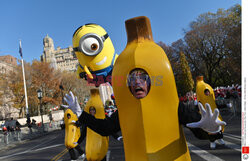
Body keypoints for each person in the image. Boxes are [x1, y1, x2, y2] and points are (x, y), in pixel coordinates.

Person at [63, 68, 225, 147]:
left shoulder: (172, 106)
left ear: (150, 83)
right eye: (133, 78)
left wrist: (212, 132)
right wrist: (80, 113)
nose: (137, 82)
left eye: (142, 78)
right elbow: (105, 128)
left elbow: (198, 129)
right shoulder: (126, 111)